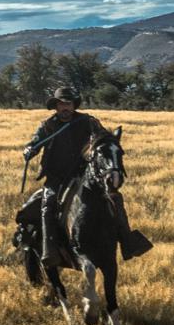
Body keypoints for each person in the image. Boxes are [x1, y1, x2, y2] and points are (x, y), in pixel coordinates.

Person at [22, 86, 151, 261]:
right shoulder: (47, 125)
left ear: (74, 105)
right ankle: (49, 250)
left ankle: (128, 243)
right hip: (56, 177)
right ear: (56, 106)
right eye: (62, 104)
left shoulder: (88, 122)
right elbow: (34, 143)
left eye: (69, 104)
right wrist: (29, 150)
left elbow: (104, 138)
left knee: (115, 198)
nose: (65, 107)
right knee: (48, 204)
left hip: (84, 174)